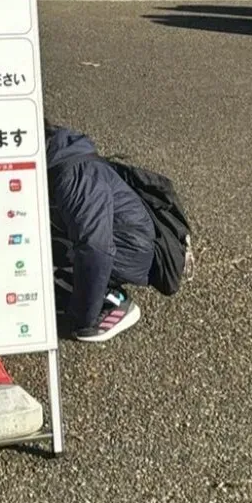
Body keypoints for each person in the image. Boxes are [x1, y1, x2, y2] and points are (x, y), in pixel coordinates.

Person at [44, 122, 154, 342]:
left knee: (43, 264)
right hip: (98, 237)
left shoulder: (74, 173)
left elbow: (96, 248)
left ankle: (112, 300)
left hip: (126, 248)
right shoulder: (54, 157)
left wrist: (83, 317)